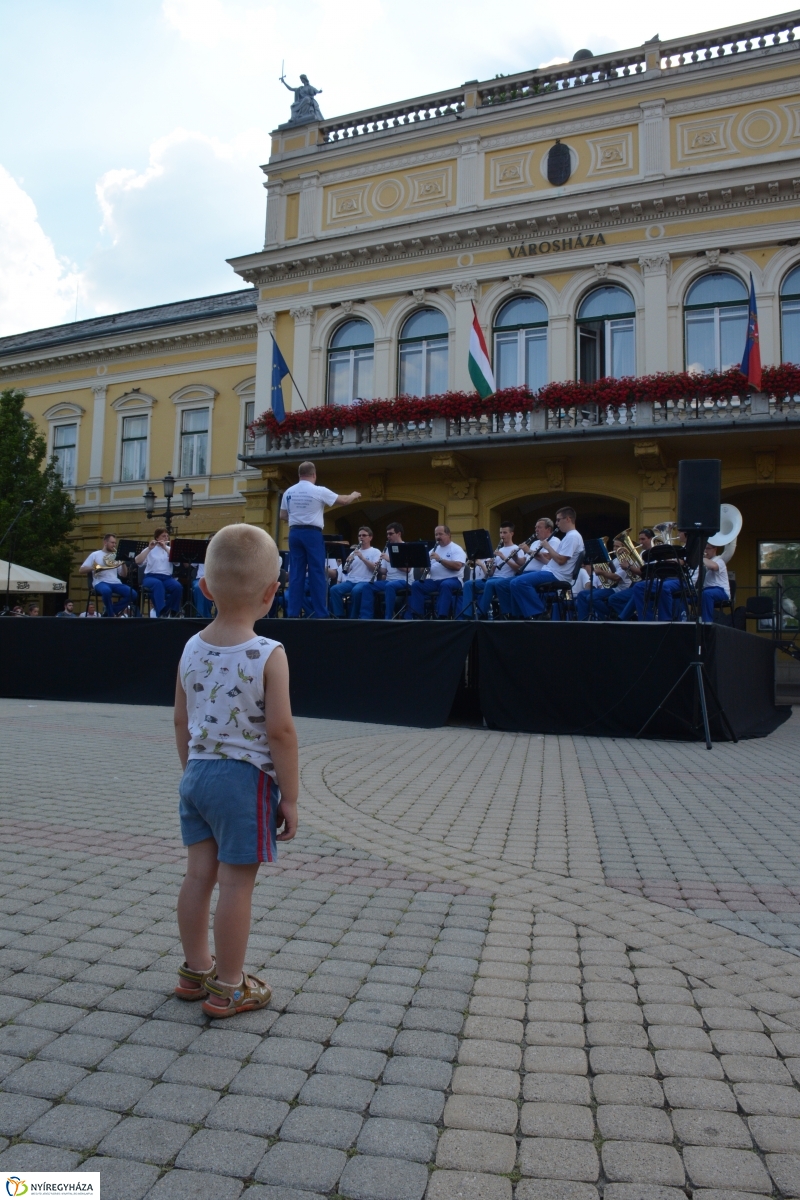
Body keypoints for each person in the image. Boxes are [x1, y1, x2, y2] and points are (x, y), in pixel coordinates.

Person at [173, 523, 298, 1018]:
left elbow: (181, 718)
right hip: (244, 780)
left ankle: (194, 970)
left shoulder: (190, 647)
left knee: (197, 875)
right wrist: (289, 795)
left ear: (204, 588)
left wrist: (191, 771)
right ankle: (229, 986)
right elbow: (281, 732)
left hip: (197, 775)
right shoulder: (269, 653)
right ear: (272, 592)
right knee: (236, 884)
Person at [280, 462, 361, 619]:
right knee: (317, 572)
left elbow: (282, 515)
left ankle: (293, 613)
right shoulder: (318, 490)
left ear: (299, 475)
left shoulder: (288, 492)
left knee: (296, 572)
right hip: (312, 533)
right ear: (314, 475)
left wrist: (298, 517)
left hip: (294, 532)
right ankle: (320, 613)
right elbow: (343, 501)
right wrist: (353, 495)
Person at [509, 507, 585, 619]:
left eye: (559, 520)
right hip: (551, 571)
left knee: (518, 582)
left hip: (557, 575)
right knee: (513, 582)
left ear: (568, 519)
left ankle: (540, 613)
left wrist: (548, 547)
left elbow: (561, 560)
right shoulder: (569, 536)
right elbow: (556, 559)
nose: (556, 523)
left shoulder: (572, 536)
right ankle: (519, 617)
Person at [405, 526, 467, 619]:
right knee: (416, 585)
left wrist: (440, 559)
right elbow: (422, 570)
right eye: (436, 534)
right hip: (434, 581)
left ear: (448, 535)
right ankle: (417, 616)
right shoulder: (433, 550)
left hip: (453, 580)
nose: (438, 537)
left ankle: (442, 616)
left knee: (445, 585)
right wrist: (425, 566)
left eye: (440, 534)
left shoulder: (456, 549)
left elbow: (458, 566)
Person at [459, 523, 518, 618]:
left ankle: (480, 613)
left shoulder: (516, 549)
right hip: (493, 579)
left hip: (506, 579)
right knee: (468, 584)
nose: (502, 535)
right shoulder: (499, 550)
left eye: (505, 532)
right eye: (500, 533)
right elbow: (490, 574)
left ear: (512, 533)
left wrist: (504, 558)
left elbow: (518, 569)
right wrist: (487, 565)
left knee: (489, 583)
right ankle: (467, 614)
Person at [576, 537, 634, 620]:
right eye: (614, 546)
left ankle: (609, 616)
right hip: (609, 588)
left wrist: (602, 572)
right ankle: (583, 622)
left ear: (624, 547)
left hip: (618, 589)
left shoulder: (626, 560)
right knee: (581, 594)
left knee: (591, 597)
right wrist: (602, 570)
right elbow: (609, 576)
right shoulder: (615, 560)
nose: (615, 549)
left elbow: (617, 577)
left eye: (617, 546)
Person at [330, 527, 381, 617]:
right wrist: (348, 563)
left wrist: (362, 558)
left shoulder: (375, 551)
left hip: (365, 581)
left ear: (370, 537)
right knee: (334, 589)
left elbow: (375, 569)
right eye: (359, 535)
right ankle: (339, 616)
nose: (361, 537)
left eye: (364, 535)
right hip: (351, 581)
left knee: (356, 591)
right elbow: (347, 571)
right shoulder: (353, 552)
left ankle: (353, 617)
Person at [80, 534, 135, 617]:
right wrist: (94, 567)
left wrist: (123, 563)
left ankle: (110, 611)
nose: (114, 545)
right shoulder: (95, 554)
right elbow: (81, 570)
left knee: (133, 594)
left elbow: (124, 575)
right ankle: (111, 615)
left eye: (115, 543)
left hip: (115, 582)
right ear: (105, 542)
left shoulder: (116, 556)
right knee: (106, 591)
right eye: (112, 543)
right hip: (100, 582)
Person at [136, 529, 183, 618]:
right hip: (151, 577)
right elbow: (138, 561)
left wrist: (165, 548)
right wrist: (149, 548)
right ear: (157, 537)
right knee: (158, 584)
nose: (166, 538)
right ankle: (161, 611)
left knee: (177, 587)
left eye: (167, 536)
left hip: (167, 578)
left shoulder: (170, 549)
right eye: (163, 536)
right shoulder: (149, 549)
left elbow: (177, 562)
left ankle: (172, 611)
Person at [696, 541, 731, 623]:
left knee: (707, 594)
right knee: (686, 596)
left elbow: (713, 566)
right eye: (704, 549)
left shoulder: (720, 561)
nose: (705, 551)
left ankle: (707, 623)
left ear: (715, 549)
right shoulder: (704, 562)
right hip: (706, 590)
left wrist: (702, 557)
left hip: (721, 591)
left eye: (708, 548)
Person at [193, 535, 215, 619]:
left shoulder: (223, 553)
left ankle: (220, 617)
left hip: (218, 580)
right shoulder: (201, 552)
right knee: (198, 587)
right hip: (201, 579)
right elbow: (189, 564)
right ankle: (202, 616)